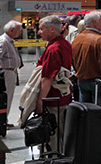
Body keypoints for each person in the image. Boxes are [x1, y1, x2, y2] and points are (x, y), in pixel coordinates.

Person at [71, 11, 101, 132]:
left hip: (82, 80)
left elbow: (73, 60)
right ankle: (100, 138)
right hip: (99, 82)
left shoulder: (77, 39)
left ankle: (87, 137)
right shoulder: (100, 40)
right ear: (95, 23)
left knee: (85, 111)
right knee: (100, 112)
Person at [34, 16, 73, 153]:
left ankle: (53, 158)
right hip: (63, 97)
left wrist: (40, 101)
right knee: (61, 131)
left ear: (52, 29)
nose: (39, 32)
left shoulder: (53, 49)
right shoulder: (65, 44)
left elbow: (47, 78)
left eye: (41, 28)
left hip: (52, 99)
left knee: (52, 134)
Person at [0, 20, 22, 128]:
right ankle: (2, 122)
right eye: (18, 30)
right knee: (6, 97)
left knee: (8, 98)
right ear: (11, 30)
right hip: (7, 72)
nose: (20, 32)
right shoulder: (3, 40)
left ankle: (4, 120)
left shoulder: (10, 40)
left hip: (11, 71)